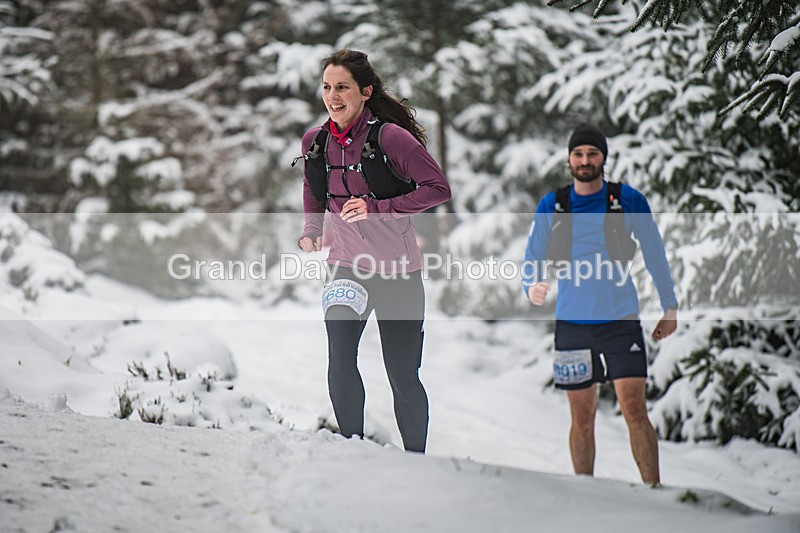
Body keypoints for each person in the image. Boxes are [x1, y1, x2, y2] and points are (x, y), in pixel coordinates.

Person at [297, 49, 451, 453]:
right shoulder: (315, 141)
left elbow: (438, 189)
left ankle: (416, 459)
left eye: (343, 87)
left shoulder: (390, 138)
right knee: (340, 356)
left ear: (365, 92)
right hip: (346, 267)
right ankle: (353, 450)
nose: (333, 95)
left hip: (399, 274)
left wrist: (378, 207)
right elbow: (313, 189)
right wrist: (312, 229)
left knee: (402, 374)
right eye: (327, 87)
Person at [522, 122, 678, 484]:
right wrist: (532, 286)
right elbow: (532, 258)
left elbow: (655, 254)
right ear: (569, 160)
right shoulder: (554, 204)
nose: (585, 160)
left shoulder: (627, 200)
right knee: (582, 417)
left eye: (592, 153)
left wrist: (669, 307)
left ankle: (654, 490)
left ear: (604, 158)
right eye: (578, 154)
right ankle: (585, 493)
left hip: (620, 321)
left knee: (635, 409)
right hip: (573, 326)